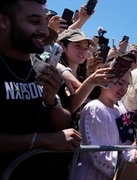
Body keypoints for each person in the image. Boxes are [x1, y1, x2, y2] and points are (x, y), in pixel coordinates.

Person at [0, 0, 82, 179]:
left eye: (45, 23)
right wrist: (45, 140)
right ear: (4, 21)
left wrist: (52, 102)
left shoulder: (44, 70)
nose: (45, 32)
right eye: (34, 21)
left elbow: (64, 123)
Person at [74, 70, 137, 180]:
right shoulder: (95, 108)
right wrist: (134, 155)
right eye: (120, 83)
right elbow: (99, 156)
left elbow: (123, 145)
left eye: (127, 85)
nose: (124, 89)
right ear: (105, 80)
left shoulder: (121, 110)